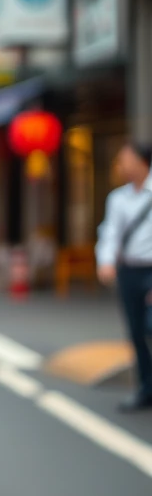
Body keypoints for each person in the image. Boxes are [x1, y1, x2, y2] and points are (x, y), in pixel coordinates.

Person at [96, 142, 152, 413]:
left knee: (150, 326)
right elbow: (110, 233)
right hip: (129, 271)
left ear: (142, 161)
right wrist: (106, 262)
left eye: (125, 159)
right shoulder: (118, 198)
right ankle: (145, 387)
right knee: (136, 332)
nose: (121, 165)